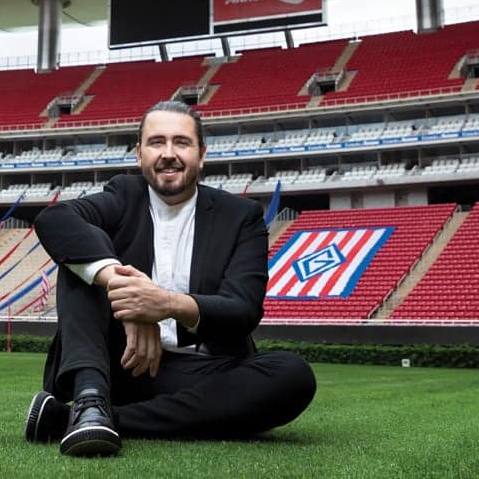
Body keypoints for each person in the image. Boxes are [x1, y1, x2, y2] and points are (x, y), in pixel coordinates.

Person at [24, 100, 316, 457]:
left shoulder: (241, 216)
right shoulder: (123, 195)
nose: (168, 154)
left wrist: (164, 305)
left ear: (201, 154)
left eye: (181, 142)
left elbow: (243, 309)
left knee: (292, 375)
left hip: (201, 374)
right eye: (156, 142)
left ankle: (85, 419)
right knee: (81, 262)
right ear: (139, 153)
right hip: (121, 366)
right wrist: (125, 293)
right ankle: (89, 400)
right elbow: (54, 220)